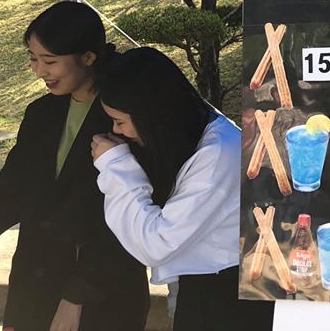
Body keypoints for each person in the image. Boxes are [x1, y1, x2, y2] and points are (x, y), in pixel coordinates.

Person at [0, 1, 149, 331]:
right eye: (33, 59)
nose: (39, 71)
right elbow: (10, 192)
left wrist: (78, 296)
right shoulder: (40, 113)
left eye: (50, 61)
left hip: (101, 290)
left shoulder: (128, 118)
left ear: (88, 57)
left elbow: (132, 216)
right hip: (34, 285)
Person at [89, 47, 274, 331]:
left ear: (152, 114)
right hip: (210, 287)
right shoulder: (195, 130)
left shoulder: (216, 155)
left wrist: (116, 166)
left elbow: (156, 244)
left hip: (225, 298)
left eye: (120, 121)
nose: (117, 131)